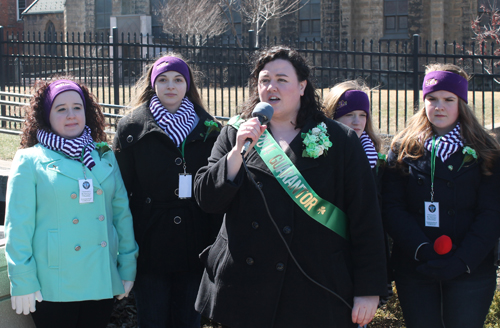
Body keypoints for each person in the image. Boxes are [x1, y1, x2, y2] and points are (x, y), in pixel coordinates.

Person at [194, 46, 387, 328]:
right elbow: (207, 200)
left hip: (313, 287)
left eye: (282, 80)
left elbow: (366, 216)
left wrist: (368, 289)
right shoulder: (236, 133)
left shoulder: (340, 139)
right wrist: (236, 154)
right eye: (264, 80)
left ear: (302, 86)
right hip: (245, 288)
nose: (271, 87)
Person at [4, 77, 138, 328]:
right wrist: (22, 280)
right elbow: (18, 227)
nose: (71, 115)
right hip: (52, 284)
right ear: (46, 115)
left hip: (100, 277)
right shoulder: (29, 160)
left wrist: (127, 265)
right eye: (61, 108)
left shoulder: (104, 155)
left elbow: (121, 215)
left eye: (77, 107)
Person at [382, 63, 500, 328]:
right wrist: (423, 251)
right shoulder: (403, 148)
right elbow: (392, 207)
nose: (439, 106)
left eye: (449, 99)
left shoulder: (486, 150)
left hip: (471, 268)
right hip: (417, 267)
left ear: (462, 103)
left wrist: (462, 261)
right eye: (432, 99)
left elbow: (491, 213)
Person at [113, 54, 222, 327]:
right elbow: (120, 193)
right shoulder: (130, 128)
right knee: (153, 320)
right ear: (152, 85)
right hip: (149, 243)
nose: (170, 86)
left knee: (188, 321)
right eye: (162, 80)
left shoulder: (209, 129)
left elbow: (217, 191)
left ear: (188, 85)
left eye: (177, 79)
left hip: (195, 244)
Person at [324, 80, 392, 311]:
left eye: (362, 115)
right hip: (328, 257)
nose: (357, 122)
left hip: (361, 256)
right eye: (348, 114)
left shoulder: (374, 155)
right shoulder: (317, 151)